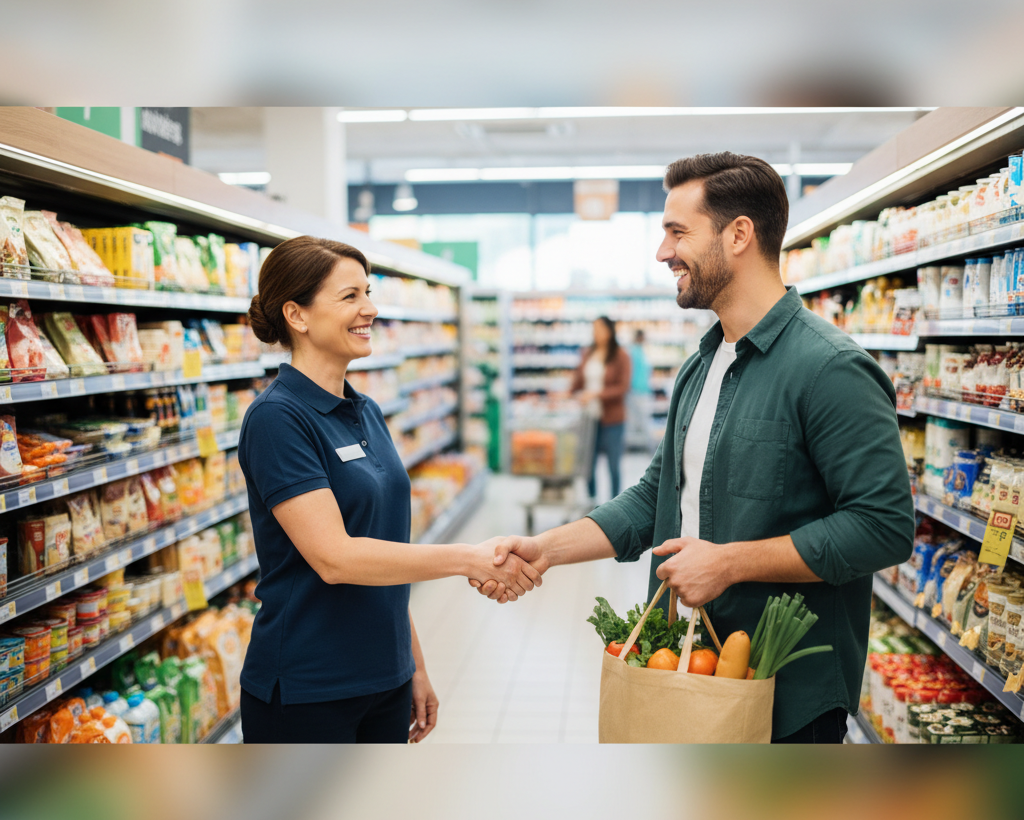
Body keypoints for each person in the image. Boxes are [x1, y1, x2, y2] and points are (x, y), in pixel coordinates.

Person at [477, 152, 914, 743]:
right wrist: (546, 549)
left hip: (785, 697)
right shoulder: (702, 366)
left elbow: (883, 526)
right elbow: (655, 496)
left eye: (677, 232)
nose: (663, 253)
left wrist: (729, 562)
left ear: (739, 235)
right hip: (686, 672)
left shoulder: (829, 369)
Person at [238, 236, 540, 744]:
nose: (370, 309)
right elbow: (336, 558)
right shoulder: (278, 419)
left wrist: (412, 663)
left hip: (384, 677)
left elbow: (387, 553)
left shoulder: (367, 412)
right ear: (298, 315)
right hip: (308, 688)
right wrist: (468, 558)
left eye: (369, 293)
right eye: (350, 296)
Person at [572, 315, 631, 501]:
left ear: (609, 331)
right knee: (588, 462)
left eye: (599, 328)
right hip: (590, 417)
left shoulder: (621, 355)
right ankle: (591, 502)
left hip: (613, 418)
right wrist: (571, 392)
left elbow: (623, 388)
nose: (595, 332)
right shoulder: (588, 353)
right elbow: (577, 381)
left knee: (613, 465)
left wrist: (597, 394)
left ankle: (615, 504)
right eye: (593, 328)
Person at [626, 328, 653, 453]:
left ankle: (649, 447)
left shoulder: (640, 351)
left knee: (639, 420)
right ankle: (650, 447)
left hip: (641, 391)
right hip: (636, 391)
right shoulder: (634, 352)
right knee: (640, 420)